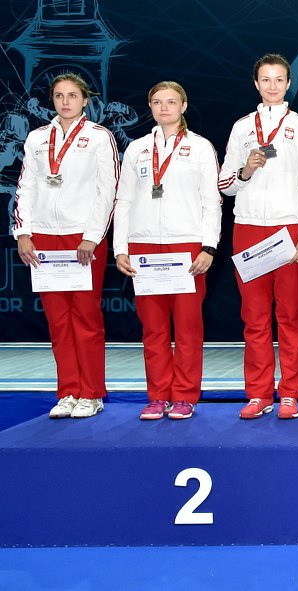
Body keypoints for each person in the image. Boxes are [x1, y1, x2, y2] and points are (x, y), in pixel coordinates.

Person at [113, 81, 221, 420]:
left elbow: (211, 201)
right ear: (150, 106)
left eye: (171, 102)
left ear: (184, 106)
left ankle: (186, 395)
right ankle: (158, 395)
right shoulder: (137, 149)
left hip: (186, 247)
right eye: (157, 102)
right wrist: (120, 248)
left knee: (188, 327)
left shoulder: (201, 148)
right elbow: (124, 200)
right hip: (144, 246)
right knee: (153, 328)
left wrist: (209, 247)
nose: (164, 108)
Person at [14, 72, 118, 419]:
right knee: (58, 321)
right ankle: (68, 391)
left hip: (82, 238)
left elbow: (108, 190)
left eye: (72, 95)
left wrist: (93, 234)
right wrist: (23, 232)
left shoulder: (99, 137)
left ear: (85, 99)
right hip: (44, 238)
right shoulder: (37, 138)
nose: (65, 102)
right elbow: (26, 186)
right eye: (59, 95)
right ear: (52, 100)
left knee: (86, 318)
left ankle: (91, 392)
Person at [219, 53, 298, 420]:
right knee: (255, 318)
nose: (272, 86)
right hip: (247, 228)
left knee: (291, 315)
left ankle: (290, 392)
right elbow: (224, 184)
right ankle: (258, 393)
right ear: (255, 83)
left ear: (288, 84)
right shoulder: (242, 127)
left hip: (290, 228)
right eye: (265, 79)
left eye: (279, 80)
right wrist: (246, 171)